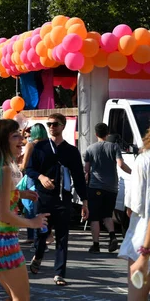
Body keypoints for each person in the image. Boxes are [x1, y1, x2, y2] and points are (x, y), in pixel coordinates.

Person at [0, 119, 48, 300]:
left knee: (13, 295)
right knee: (21, 298)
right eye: (15, 136)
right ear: (2, 140)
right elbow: (3, 214)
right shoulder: (4, 169)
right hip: (3, 244)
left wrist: (20, 194)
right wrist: (32, 223)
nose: (22, 141)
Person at [26, 113, 89, 286]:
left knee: (62, 236)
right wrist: (40, 177)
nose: (51, 127)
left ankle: (59, 273)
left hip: (63, 198)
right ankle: (38, 255)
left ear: (62, 126)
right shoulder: (40, 147)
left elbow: (79, 177)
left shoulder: (71, 151)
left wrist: (84, 201)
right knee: (43, 232)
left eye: (55, 124)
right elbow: (29, 169)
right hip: (44, 197)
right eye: (49, 124)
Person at [84, 122, 131, 253]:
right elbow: (121, 165)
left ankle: (96, 245)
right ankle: (112, 236)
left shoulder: (90, 149)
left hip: (95, 186)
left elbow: (87, 169)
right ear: (107, 133)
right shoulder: (114, 147)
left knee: (94, 217)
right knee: (107, 214)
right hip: (112, 187)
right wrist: (134, 172)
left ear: (96, 134)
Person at [118, 127, 150, 299]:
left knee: (137, 297)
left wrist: (144, 253)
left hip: (143, 238)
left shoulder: (143, 160)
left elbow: (135, 204)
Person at [19, 123, 48, 244]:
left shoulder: (31, 145)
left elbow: (24, 166)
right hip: (45, 179)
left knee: (30, 207)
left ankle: (34, 237)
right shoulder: (49, 145)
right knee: (41, 208)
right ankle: (44, 236)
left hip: (32, 178)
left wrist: (18, 166)